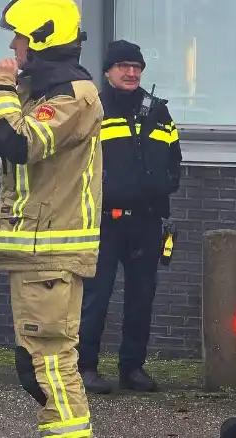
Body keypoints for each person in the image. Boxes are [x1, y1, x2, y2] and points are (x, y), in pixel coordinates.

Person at [0, 0, 104, 438]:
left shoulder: (74, 96)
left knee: (49, 365)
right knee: (36, 367)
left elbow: (18, 143)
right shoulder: (45, 92)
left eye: (19, 37)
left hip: (50, 255)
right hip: (35, 253)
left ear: (41, 39)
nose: (13, 47)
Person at [78, 40, 182, 394]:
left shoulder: (157, 111)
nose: (131, 72)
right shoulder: (93, 108)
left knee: (141, 299)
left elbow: (173, 158)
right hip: (104, 220)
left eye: (136, 67)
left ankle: (132, 368)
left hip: (147, 221)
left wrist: (164, 187)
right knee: (96, 296)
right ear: (107, 71)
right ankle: (85, 368)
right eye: (123, 66)